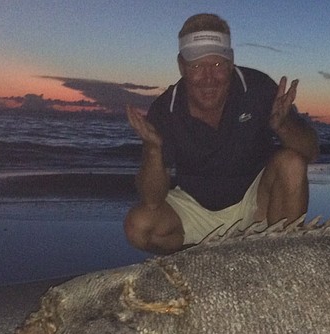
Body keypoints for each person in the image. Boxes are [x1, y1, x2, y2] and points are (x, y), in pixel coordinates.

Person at [124, 13, 319, 254]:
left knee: (292, 163)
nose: (208, 78)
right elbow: (152, 201)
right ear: (182, 66)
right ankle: (198, 259)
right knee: (139, 227)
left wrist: (283, 126)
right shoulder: (166, 110)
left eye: (217, 65)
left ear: (231, 61)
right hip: (195, 210)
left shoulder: (258, 88)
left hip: (257, 206)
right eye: (197, 66)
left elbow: (310, 152)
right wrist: (154, 151)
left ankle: (279, 256)